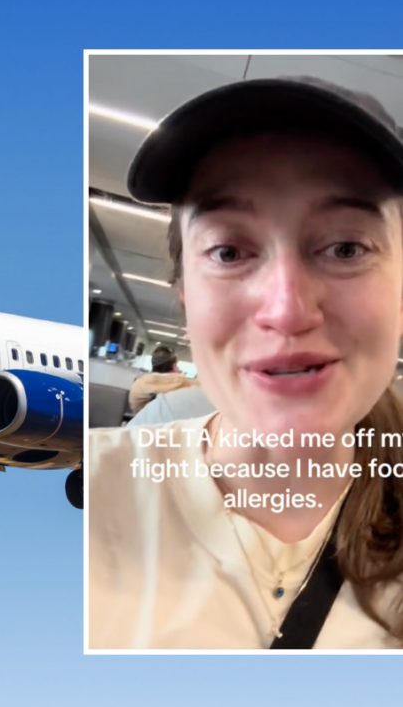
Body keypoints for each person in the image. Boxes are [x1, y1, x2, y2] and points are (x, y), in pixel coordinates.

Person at [89, 75, 403, 650]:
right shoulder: (87, 490)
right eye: (229, 251)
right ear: (183, 293)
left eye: (346, 248)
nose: (286, 311)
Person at [127, 344, 194, 414]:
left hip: (139, 422)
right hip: (172, 423)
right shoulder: (183, 384)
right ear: (174, 367)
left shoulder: (139, 383)